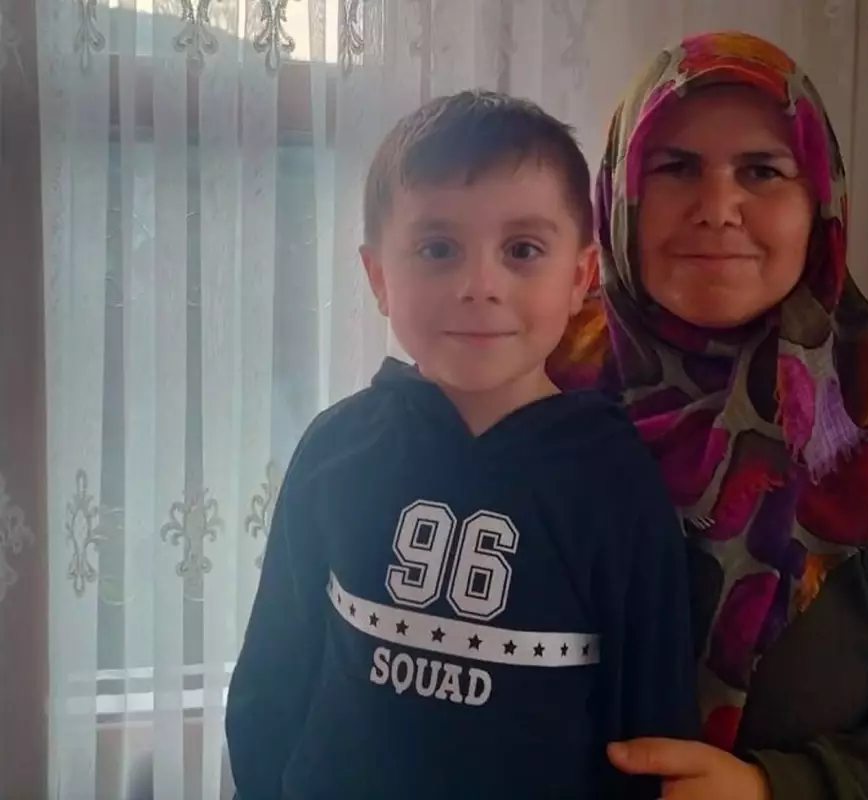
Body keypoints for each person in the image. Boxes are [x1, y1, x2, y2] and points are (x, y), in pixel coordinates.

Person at [548, 31, 868, 799]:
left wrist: (773, 790)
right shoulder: (528, 381)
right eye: (675, 167)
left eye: (762, 171)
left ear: (819, 204)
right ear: (618, 195)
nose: (718, 209)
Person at [225, 90, 699, 799]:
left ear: (580, 277)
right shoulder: (335, 449)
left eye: (523, 250)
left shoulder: (617, 482)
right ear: (379, 277)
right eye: (438, 249)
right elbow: (272, 675)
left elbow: (651, 730)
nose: (480, 286)